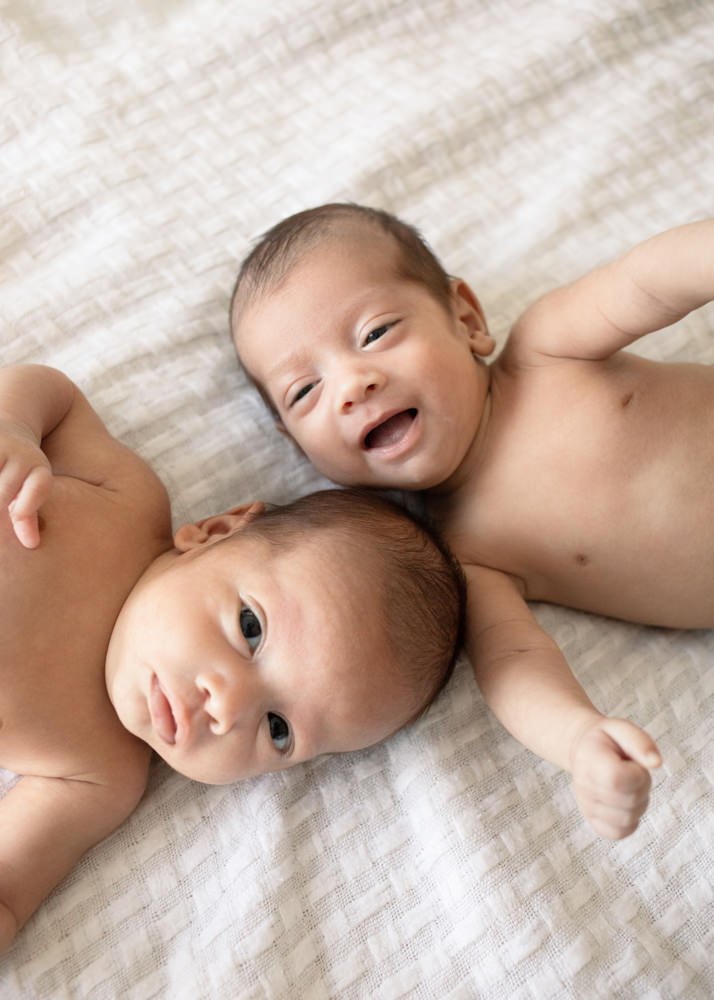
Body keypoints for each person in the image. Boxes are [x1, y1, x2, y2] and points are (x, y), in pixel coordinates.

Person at [230, 203, 714, 842]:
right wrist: (578, 740)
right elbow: (515, 663)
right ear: (301, 450)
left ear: (466, 320)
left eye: (374, 333)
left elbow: (648, 281)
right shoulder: (465, 557)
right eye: (304, 393)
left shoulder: (548, 351)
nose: (351, 384)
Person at [0, 363, 466, 952]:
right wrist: (13, 427)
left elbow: (10, 888)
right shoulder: (127, 503)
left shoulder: (99, 778)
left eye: (278, 730)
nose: (228, 705)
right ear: (217, 529)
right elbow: (57, 398)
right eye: (250, 629)